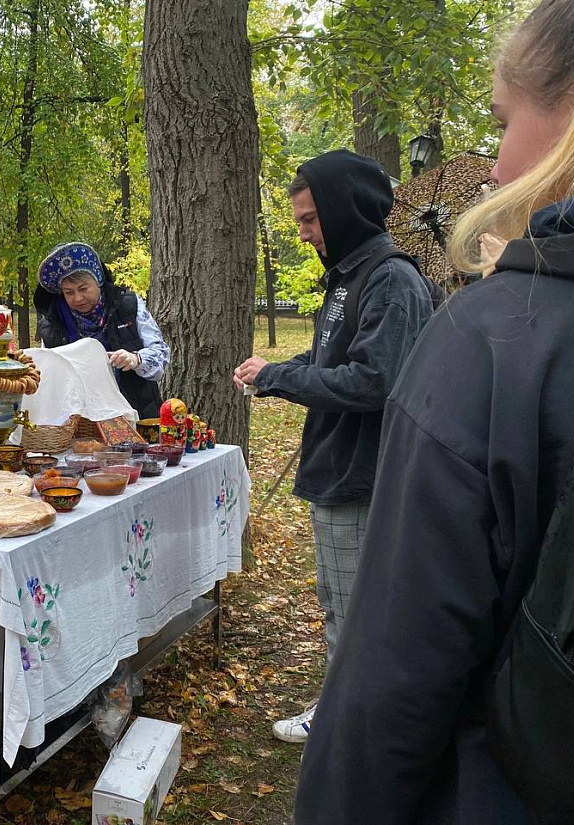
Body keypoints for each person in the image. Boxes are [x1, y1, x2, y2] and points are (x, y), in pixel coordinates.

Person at [294, 0, 574, 821]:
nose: (494, 166)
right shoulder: (350, 283)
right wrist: (290, 368)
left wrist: (285, 380)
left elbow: (394, 678)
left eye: (504, 122)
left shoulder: (472, 324)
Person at [232, 150, 437, 743]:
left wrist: (279, 377)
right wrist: (275, 367)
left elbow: (374, 380)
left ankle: (350, 730)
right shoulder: (349, 273)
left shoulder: (390, 278)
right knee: (341, 599)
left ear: (346, 209)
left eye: (310, 220)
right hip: (338, 464)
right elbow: (330, 357)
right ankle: (367, 715)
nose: (303, 234)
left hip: (363, 473)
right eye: (299, 221)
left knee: (350, 610)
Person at [34, 243, 168, 420]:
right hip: (80, 423)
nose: (78, 298)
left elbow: (160, 356)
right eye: (69, 292)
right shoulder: (52, 326)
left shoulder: (128, 306)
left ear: (98, 281)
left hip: (138, 414)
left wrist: (135, 359)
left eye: (83, 289)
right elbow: (48, 377)